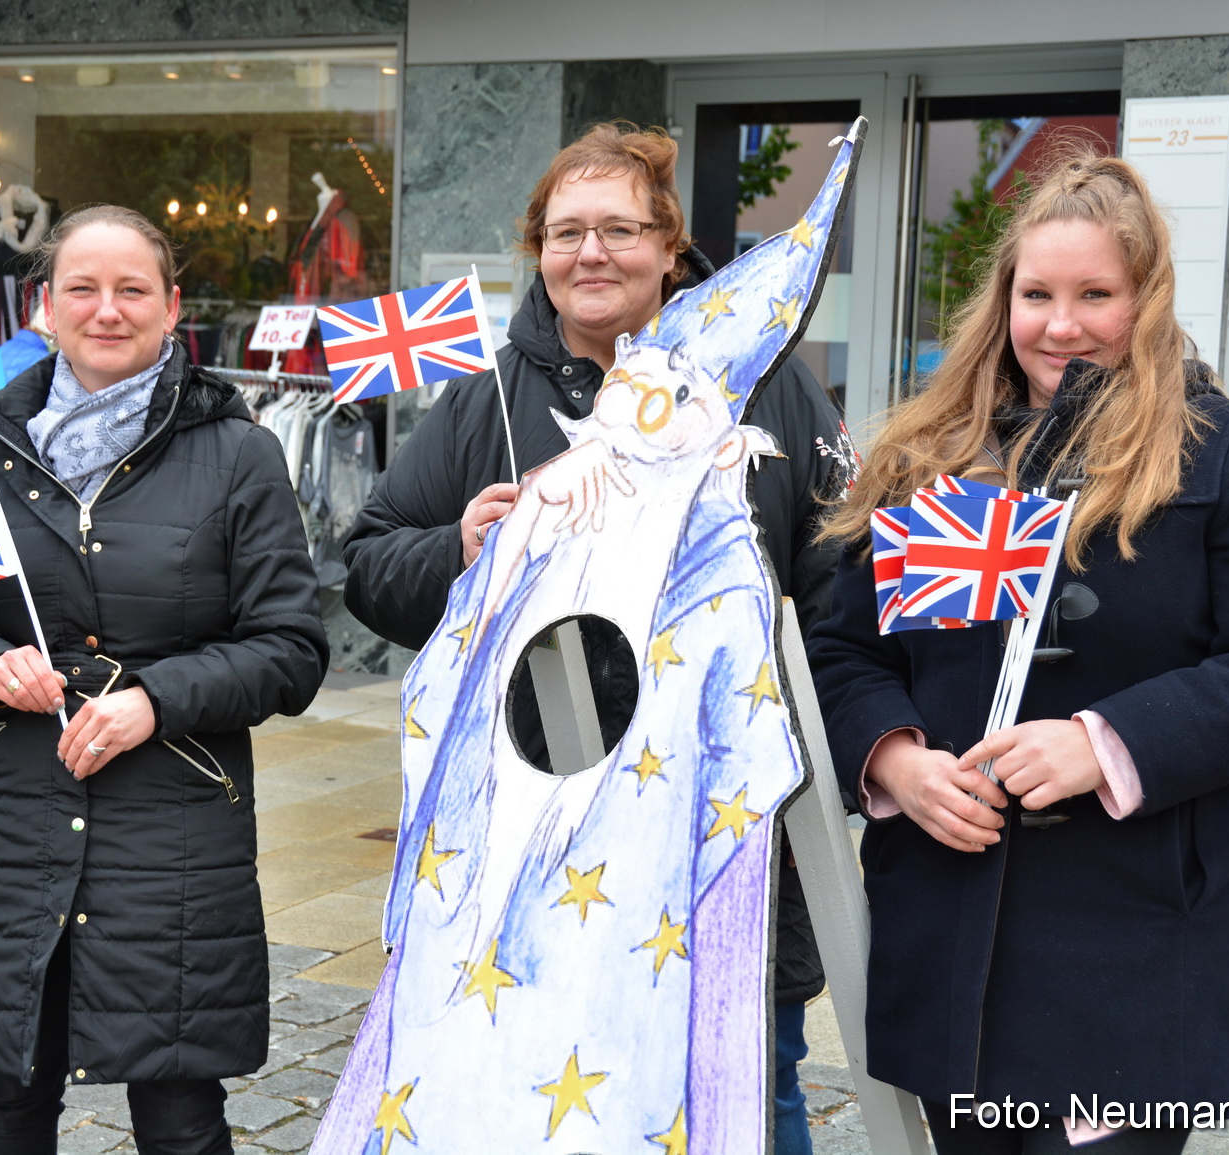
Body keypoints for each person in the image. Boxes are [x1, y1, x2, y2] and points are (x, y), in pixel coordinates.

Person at [806, 151, 1229, 1154]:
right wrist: (897, 763)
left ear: (1144, 298)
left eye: (1095, 294)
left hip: (1134, 941)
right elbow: (842, 655)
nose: (1061, 326)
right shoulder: (927, 459)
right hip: (949, 925)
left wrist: (1101, 744)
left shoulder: (1225, 449)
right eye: (1037, 294)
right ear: (1003, 299)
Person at [341, 122, 851, 1154]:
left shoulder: (763, 383)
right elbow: (367, 566)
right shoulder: (486, 397)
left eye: (620, 229)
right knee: (535, 1094)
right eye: (566, 231)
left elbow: (841, 582)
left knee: (749, 1086)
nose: (591, 253)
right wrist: (460, 547)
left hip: (710, 834)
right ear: (537, 250)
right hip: (531, 839)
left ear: (670, 248)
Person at [0, 205, 328, 1154]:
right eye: (82, 289)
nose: (107, 310)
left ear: (171, 306)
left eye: (132, 289)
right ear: (45, 307)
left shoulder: (238, 454)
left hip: (173, 833)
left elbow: (292, 648)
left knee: (179, 1118)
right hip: (14, 825)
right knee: (9, 1105)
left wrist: (155, 700)